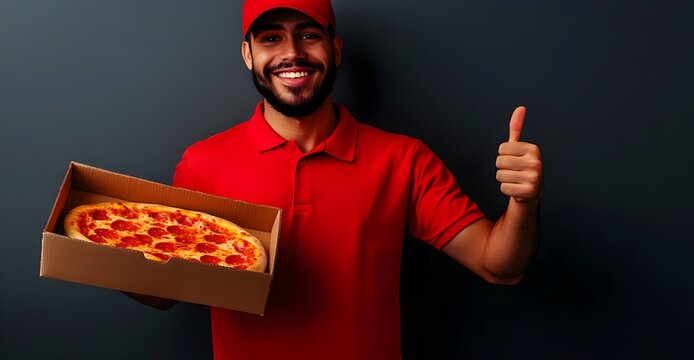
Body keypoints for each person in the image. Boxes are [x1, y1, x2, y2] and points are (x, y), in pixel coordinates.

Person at [139, 0, 542, 358]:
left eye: (308, 35)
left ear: (336, 49)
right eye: (271, 39)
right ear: (248, 54)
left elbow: (499, 265)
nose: (292, 53)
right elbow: (165, 294)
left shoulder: (403, 159)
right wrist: (108, 261)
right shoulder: (203, 163)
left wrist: (524, 202)